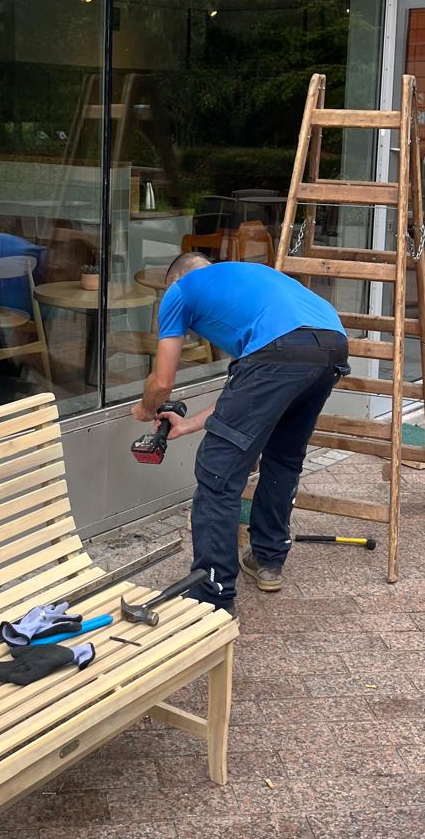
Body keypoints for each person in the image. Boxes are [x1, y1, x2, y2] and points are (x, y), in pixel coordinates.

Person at [131, 253, 349, 611]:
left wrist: (146, 408)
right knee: (283, 457)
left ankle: (211, 594)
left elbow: (162, 381)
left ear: (175, 280)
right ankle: (267, 560)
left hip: (280, 352)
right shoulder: (253, 281)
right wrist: (185, 424)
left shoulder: (179, 291)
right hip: (331, 345)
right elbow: (247, 391)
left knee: (218, 470)